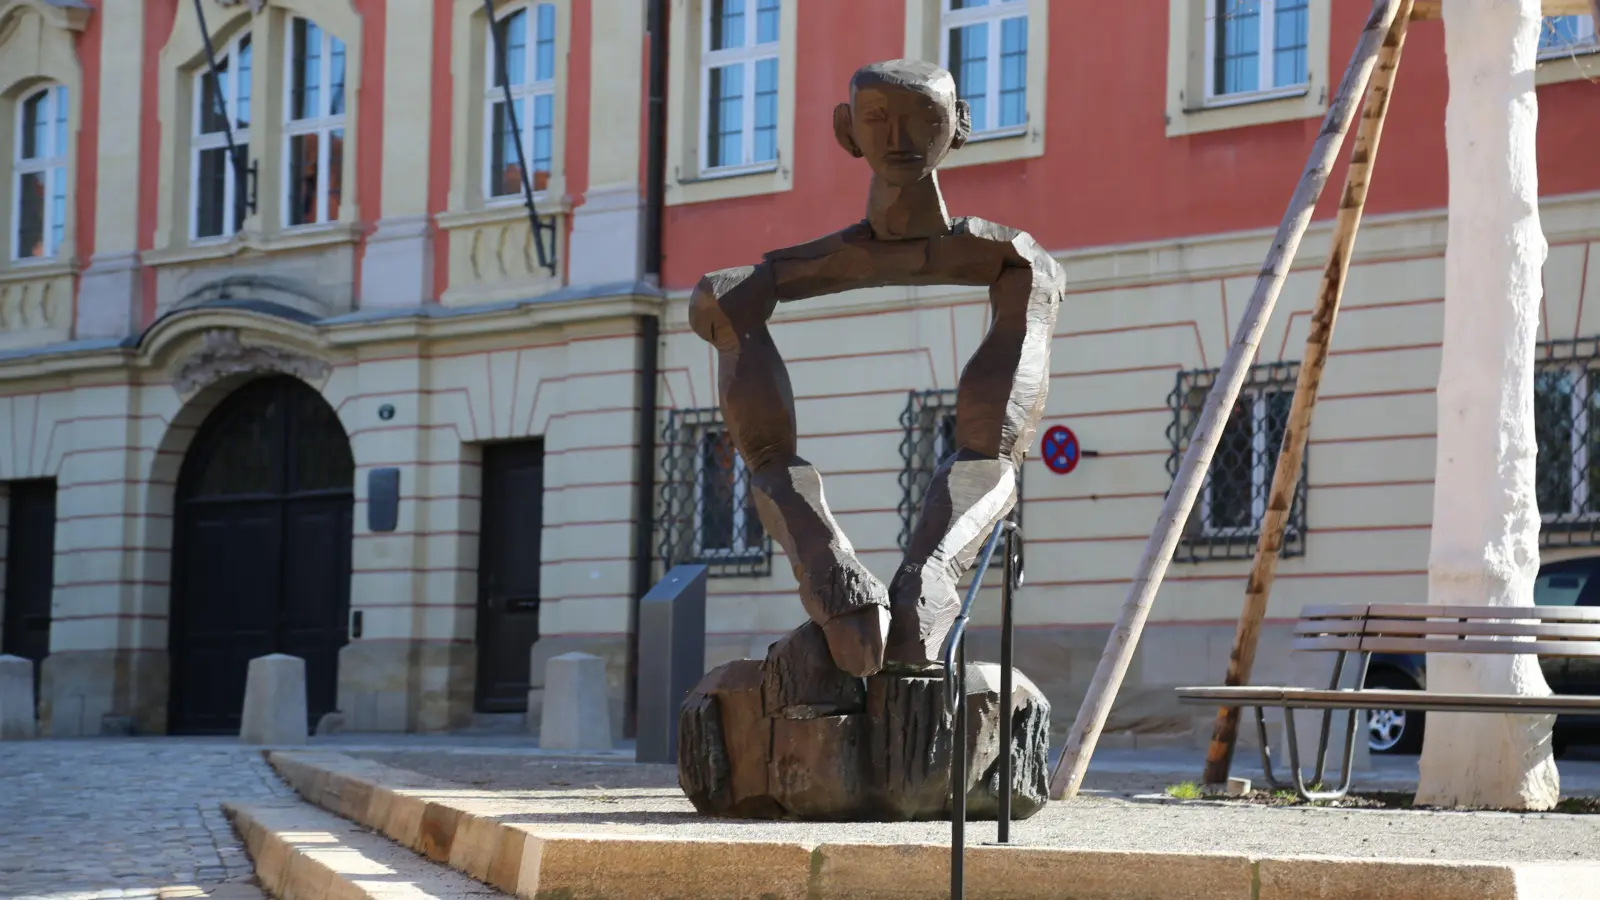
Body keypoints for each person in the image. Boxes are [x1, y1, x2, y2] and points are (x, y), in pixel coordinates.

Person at [689, 59, 1065, 677]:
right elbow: (731, 295)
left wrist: (931, 569)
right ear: (847, 130)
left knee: (1000, 414)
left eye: (924, 118)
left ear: (958, 125)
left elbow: (996, 444)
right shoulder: (792, 271)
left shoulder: (1018, 262)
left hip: (1012, 288)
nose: (899, 139)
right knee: (726, 301)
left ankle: (929, 580)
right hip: (818, 528)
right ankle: (829, 571)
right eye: (877, 119)